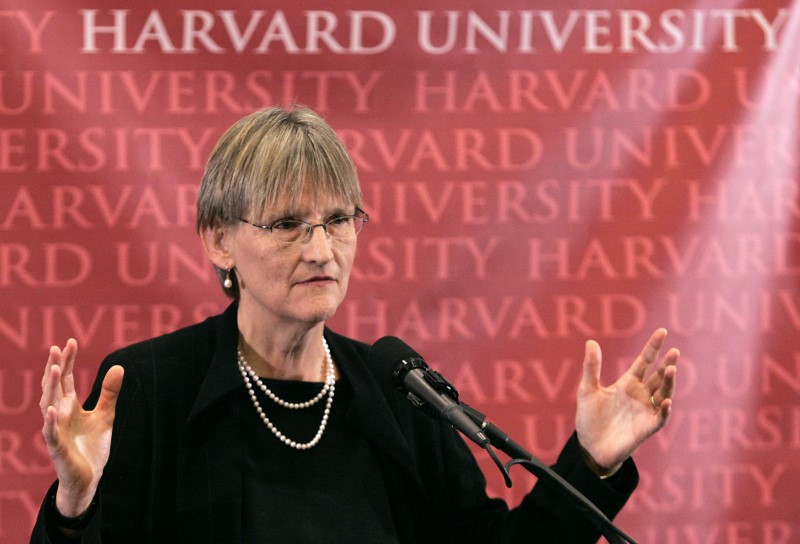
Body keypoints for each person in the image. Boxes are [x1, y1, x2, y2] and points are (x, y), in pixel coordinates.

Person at [31, 106, 678, 543]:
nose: (321, 250)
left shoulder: (396, 392)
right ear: (218, 240)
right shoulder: (152, 385)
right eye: (287, 224)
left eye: (339, 220)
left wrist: (588, 461)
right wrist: (74, 506)